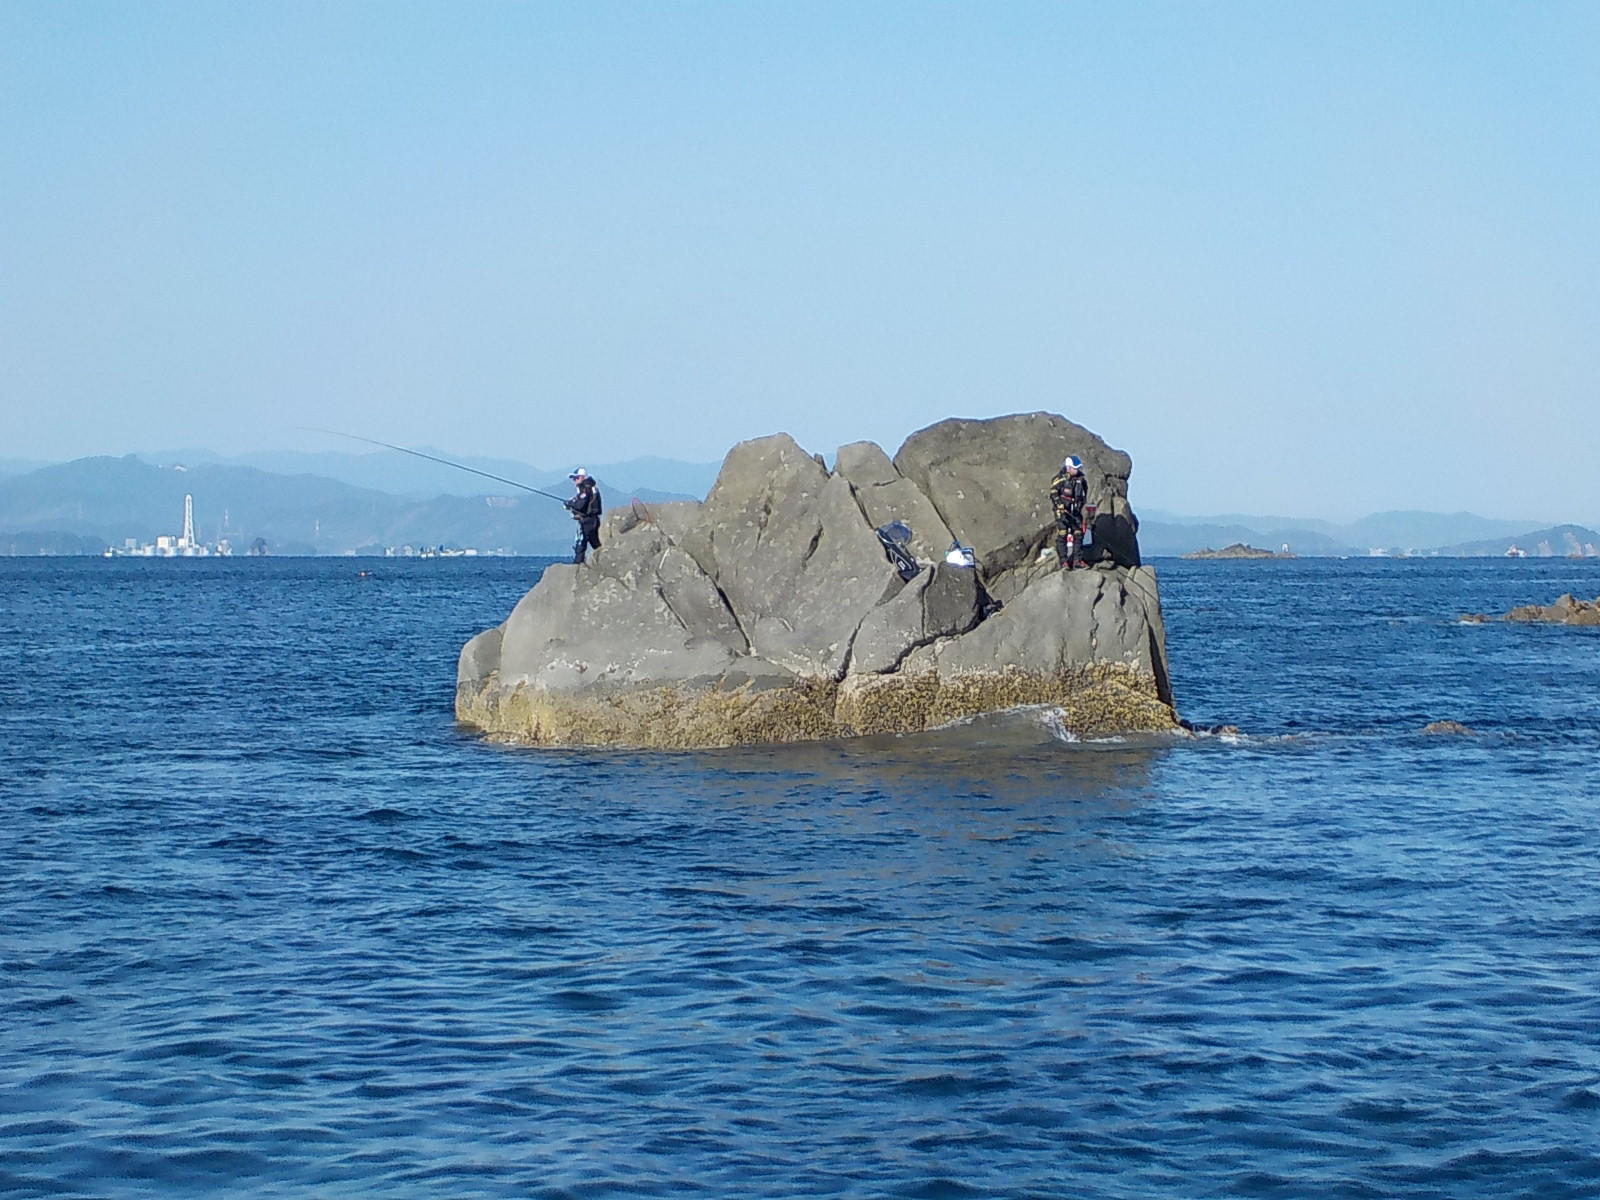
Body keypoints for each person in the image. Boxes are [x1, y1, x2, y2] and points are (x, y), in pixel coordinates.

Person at [1049, 455, 1089, 569]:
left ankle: (1078, 560)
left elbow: (1084, 495)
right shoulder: (1060, 479)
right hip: (1062, 512)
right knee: (1063, 534)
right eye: (1074, 468)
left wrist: (1081, 507)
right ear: (1068, 467)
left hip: (1075, 513)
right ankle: (1064, 561)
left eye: (1078, 468)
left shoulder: (1081, 480)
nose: (1077, 470)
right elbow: (1053, 492)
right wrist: (1059, 505)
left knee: (1078, 533)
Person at [565, 468, 603, 564]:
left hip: (587, 520)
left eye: (576, 478)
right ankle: (602, 561)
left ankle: (577, 564)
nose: (574, 481)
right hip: (594, 519)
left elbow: (580, 505)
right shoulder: (592, 487)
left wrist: (570, 504)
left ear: (581, 477)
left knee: (581, 543)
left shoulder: (585, 488)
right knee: (596, 543)